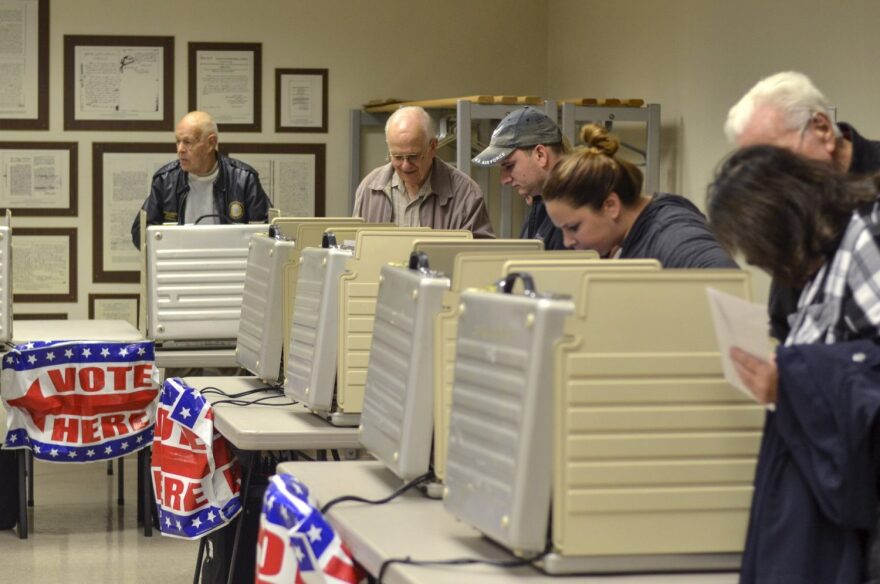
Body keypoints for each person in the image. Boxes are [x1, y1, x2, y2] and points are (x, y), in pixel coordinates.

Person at [707, 145, 880, 584]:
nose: (766, 263)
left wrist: (794, 378)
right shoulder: (826, 264)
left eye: (761, 246)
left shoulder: (867, 240)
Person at [725, 71, 880, 341]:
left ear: (821, 128)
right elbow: (784, 319)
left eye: (776, 160)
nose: (770, 181)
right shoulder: (794, 208)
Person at [540, 123, 736, 268]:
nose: (567, 242)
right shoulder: (632, 236)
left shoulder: (671, 233)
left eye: (573, 227)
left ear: (611, 206)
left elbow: (723, 275)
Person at [130, 111, 271, 249]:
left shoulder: (244, 179)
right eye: (178, 142)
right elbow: (139, 234)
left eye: (187, 142)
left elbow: (268, 232)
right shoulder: (165, 181)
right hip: (178, 267)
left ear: (211, 143)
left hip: (230, 266)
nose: (180, 149)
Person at [352, 106, 494, 238]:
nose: (406, 165)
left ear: (432, 147)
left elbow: (479, 257)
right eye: (397, 157)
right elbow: (354, 249)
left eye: (413, 156)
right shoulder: (369, 189)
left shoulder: (466, 195)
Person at [472, 107, 570, 249]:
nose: (504, 179)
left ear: (540, 155)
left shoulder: (577, 207)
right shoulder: (541, 200)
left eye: (509, 166)